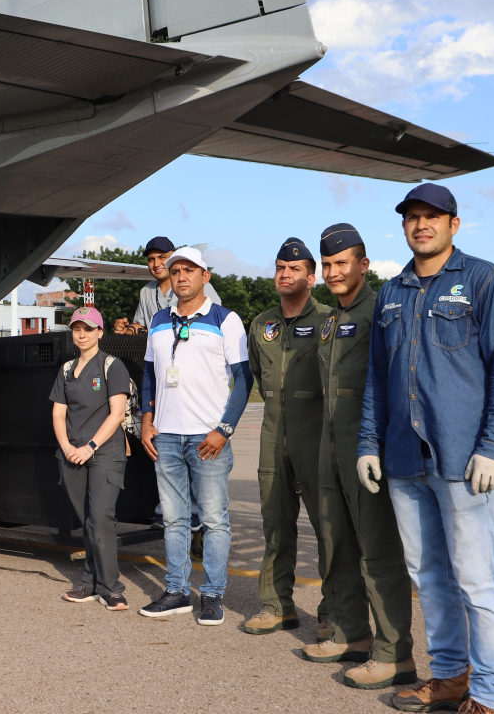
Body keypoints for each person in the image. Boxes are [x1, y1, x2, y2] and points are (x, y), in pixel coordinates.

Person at [359, 184, 494, 714]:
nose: (421, 225)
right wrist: (370, 442)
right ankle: (452, 676)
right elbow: (377, 381)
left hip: (463, 460)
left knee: (479, 581)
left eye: (433, 216)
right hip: (405, 458)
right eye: (412, 217)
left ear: (455, 224)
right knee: (428, 576)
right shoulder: (391, 292)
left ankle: (491, 693)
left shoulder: (485, 281)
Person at [305, 223, 415, 691]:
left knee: (378, 552)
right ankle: (351, 633)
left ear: (363, 265)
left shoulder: (382, 312)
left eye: (341, 263)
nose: (332, 271)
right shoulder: (330, 320)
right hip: (329, 450)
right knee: (336, 546)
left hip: (368, 450)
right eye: (327, 264)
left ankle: (394, 654)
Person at [137, 247, 253, 625]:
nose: (181, 276)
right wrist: (147, 419)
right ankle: (177, 591)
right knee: (173, 519)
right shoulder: (157, 319)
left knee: (215, 520)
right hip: (166, 436)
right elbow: (149, 376)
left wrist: (224, 429)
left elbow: (243, 379)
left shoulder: (226, 319)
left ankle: (214, 595)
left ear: (206, 276)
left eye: (190, 270)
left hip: (208, 439)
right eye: (176, 271)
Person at [242, 238, 334, 637]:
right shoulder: (262, 324)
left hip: (316, 438)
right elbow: (258, 377)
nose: (285, 274)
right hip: (273, 434)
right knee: (275, 524)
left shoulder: (330, 319)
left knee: (329, 528)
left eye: (295, 269)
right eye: (280, 267)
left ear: (311, 277)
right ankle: (277, 605)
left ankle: (335, 612)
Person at [118, 234, 215, 558]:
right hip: (164, 388)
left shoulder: (195, 284)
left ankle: (199, 525)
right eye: (151, 259)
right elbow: (145, 329)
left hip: (195, 391)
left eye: (163, 258)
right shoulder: (148, 293)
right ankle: (172, 517)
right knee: (168, 454)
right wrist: (129, 328)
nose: (157, 264)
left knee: (196, 458)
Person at [51, 306, 131, 611]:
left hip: (104, 452)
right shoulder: (66, 369)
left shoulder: (112, 365)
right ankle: (90, 582)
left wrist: (90, 447)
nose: (82, 335)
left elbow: (117, 413)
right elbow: (58, 413)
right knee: (87, 521)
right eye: (76, 329)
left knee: (100, 519)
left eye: (88, 329)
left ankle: (112, 588)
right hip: (71, 453)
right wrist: (68, 446)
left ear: (100, 332)